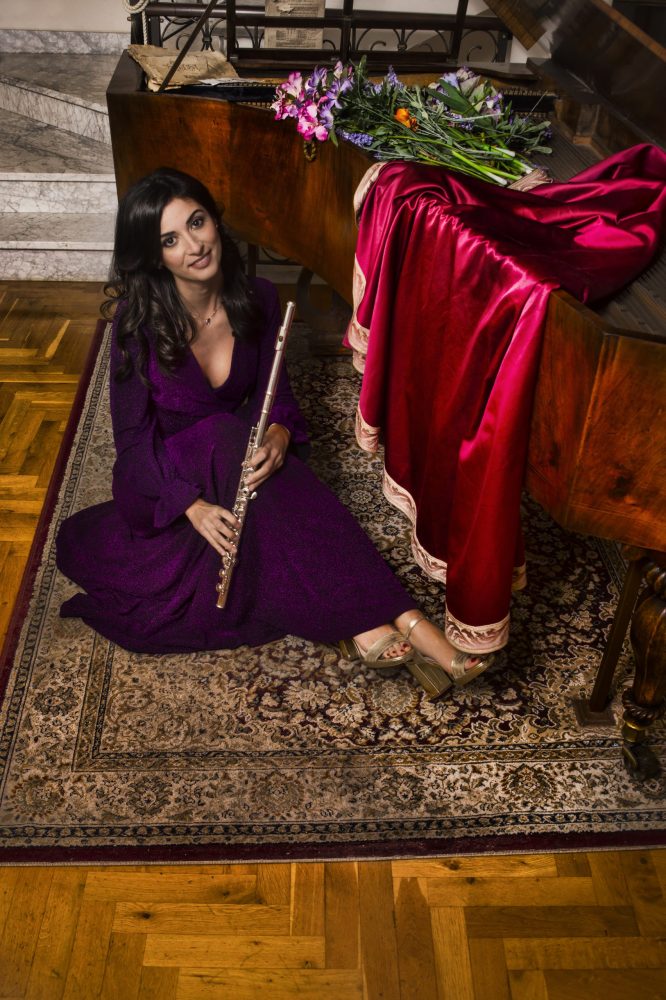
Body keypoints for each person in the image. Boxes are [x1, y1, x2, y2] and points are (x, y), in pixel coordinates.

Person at [55, 167, 493, 697]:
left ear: (214, 219)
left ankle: (383, 621)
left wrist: (281, 434)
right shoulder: (137, 322)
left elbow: (277, 396)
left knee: (262, 471)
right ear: (154, 256)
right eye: (170, 240)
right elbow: (131, 445)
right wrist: (190, 505)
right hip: (161, 478)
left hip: (231, 459)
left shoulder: (257, 298)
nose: (194, 245)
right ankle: (407, 620)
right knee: (225, 432)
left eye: (197, 222)